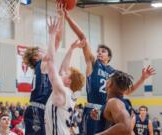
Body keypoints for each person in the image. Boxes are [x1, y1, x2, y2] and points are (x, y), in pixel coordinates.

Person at [63, 5, 156, 135]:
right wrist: (67, 17)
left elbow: (128, 90)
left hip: (109, 112)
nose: (99, 53)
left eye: (103, 51)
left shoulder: (115, 74)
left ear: (109, 57)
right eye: (98, 51)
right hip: (93, 109)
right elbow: (83, 37)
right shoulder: (93, 63)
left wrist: (142, 78)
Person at [23, 5, 64, 135]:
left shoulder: (44, 65)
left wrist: (62, 16)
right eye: (40, 50)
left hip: (43, 109)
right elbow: (52, 50)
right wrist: (51, 35)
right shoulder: (41, 64)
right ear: (35, 56)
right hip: (37, 109)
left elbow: (58, 40)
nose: (44, 51)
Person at [45, 17, 85, 135]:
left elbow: (51, 61)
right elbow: (63, 69)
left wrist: (52, 35)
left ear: (68, 81)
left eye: (66, 74)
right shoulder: (69, 95)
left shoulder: (62, 91)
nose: (62, 73)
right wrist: (72, 49)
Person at [90, 70, 134, 135]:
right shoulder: (124, 102)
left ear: (109, 83)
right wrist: (100, 116)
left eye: (107, 79)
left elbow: (126, 127)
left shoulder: (113, 102)